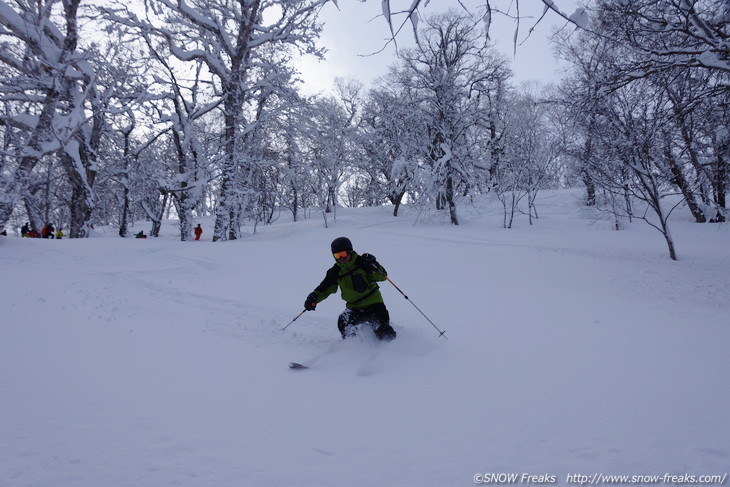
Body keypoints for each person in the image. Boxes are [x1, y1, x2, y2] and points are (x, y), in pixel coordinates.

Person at [304, 237, 396, 341]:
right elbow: (324, 289)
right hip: (354, 308)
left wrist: (374, 264)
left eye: (343, 254)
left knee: (383, 329)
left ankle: (391, 348)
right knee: (343, 322)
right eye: (337, 255)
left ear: (350, 251)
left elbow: (382, 276)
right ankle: (354, 346)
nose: (341, 258)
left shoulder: (362, 262)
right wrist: (313, 298)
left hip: (374, 305)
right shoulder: (335, 272)